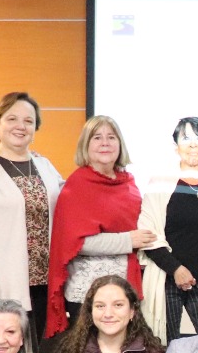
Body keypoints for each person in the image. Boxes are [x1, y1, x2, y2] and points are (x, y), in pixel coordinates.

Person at [0, 91, 65, 345]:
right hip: (5, 281)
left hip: (46, 281)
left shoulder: (45, 165)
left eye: (28, 121)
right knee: (9, 349)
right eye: (12, 119)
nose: (21, 126)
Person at [46, 115, 152, 333]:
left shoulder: (129, 184)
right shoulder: (76, 186)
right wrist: (127, 240)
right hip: (86, 294)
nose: (105, 142)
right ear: (86, 145)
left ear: (120, 144)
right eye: (97, 137)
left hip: (124, 291)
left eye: (111, 137)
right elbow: (75, 243)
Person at [138, 116, 198, 342]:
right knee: (161, 347)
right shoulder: (160, 182)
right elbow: (148, 235)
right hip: (166, 277)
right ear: (175, 146)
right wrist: (176, 269)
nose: (193, 144)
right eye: (186, 137)